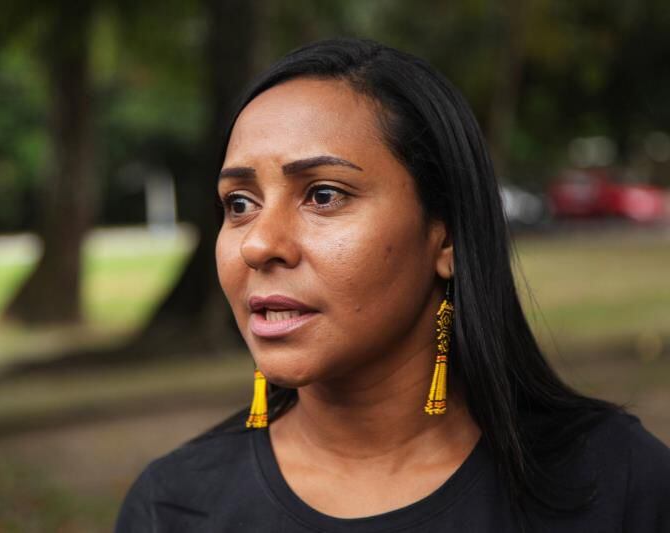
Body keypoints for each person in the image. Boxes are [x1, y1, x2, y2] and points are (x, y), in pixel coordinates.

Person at [115, 38, 670, 532]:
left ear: (446, 235)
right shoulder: (175, 507)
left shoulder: (617, 486)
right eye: (239, 204)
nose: (258, 244)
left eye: (324, 195)